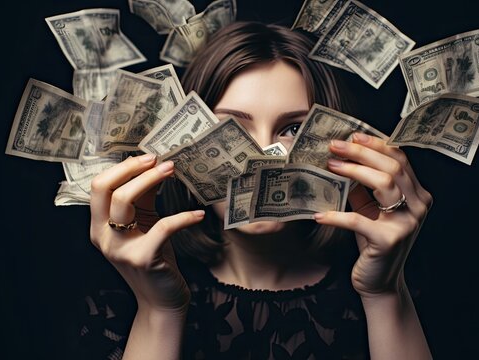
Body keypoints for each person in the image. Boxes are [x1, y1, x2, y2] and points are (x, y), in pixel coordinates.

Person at [85, 21, 433, 359]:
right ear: (180, 143)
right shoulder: (113, 303)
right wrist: (158, 309)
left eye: (293, 130)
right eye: (232, 128)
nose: (266, 159)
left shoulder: (411, 292)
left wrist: (385, 293)